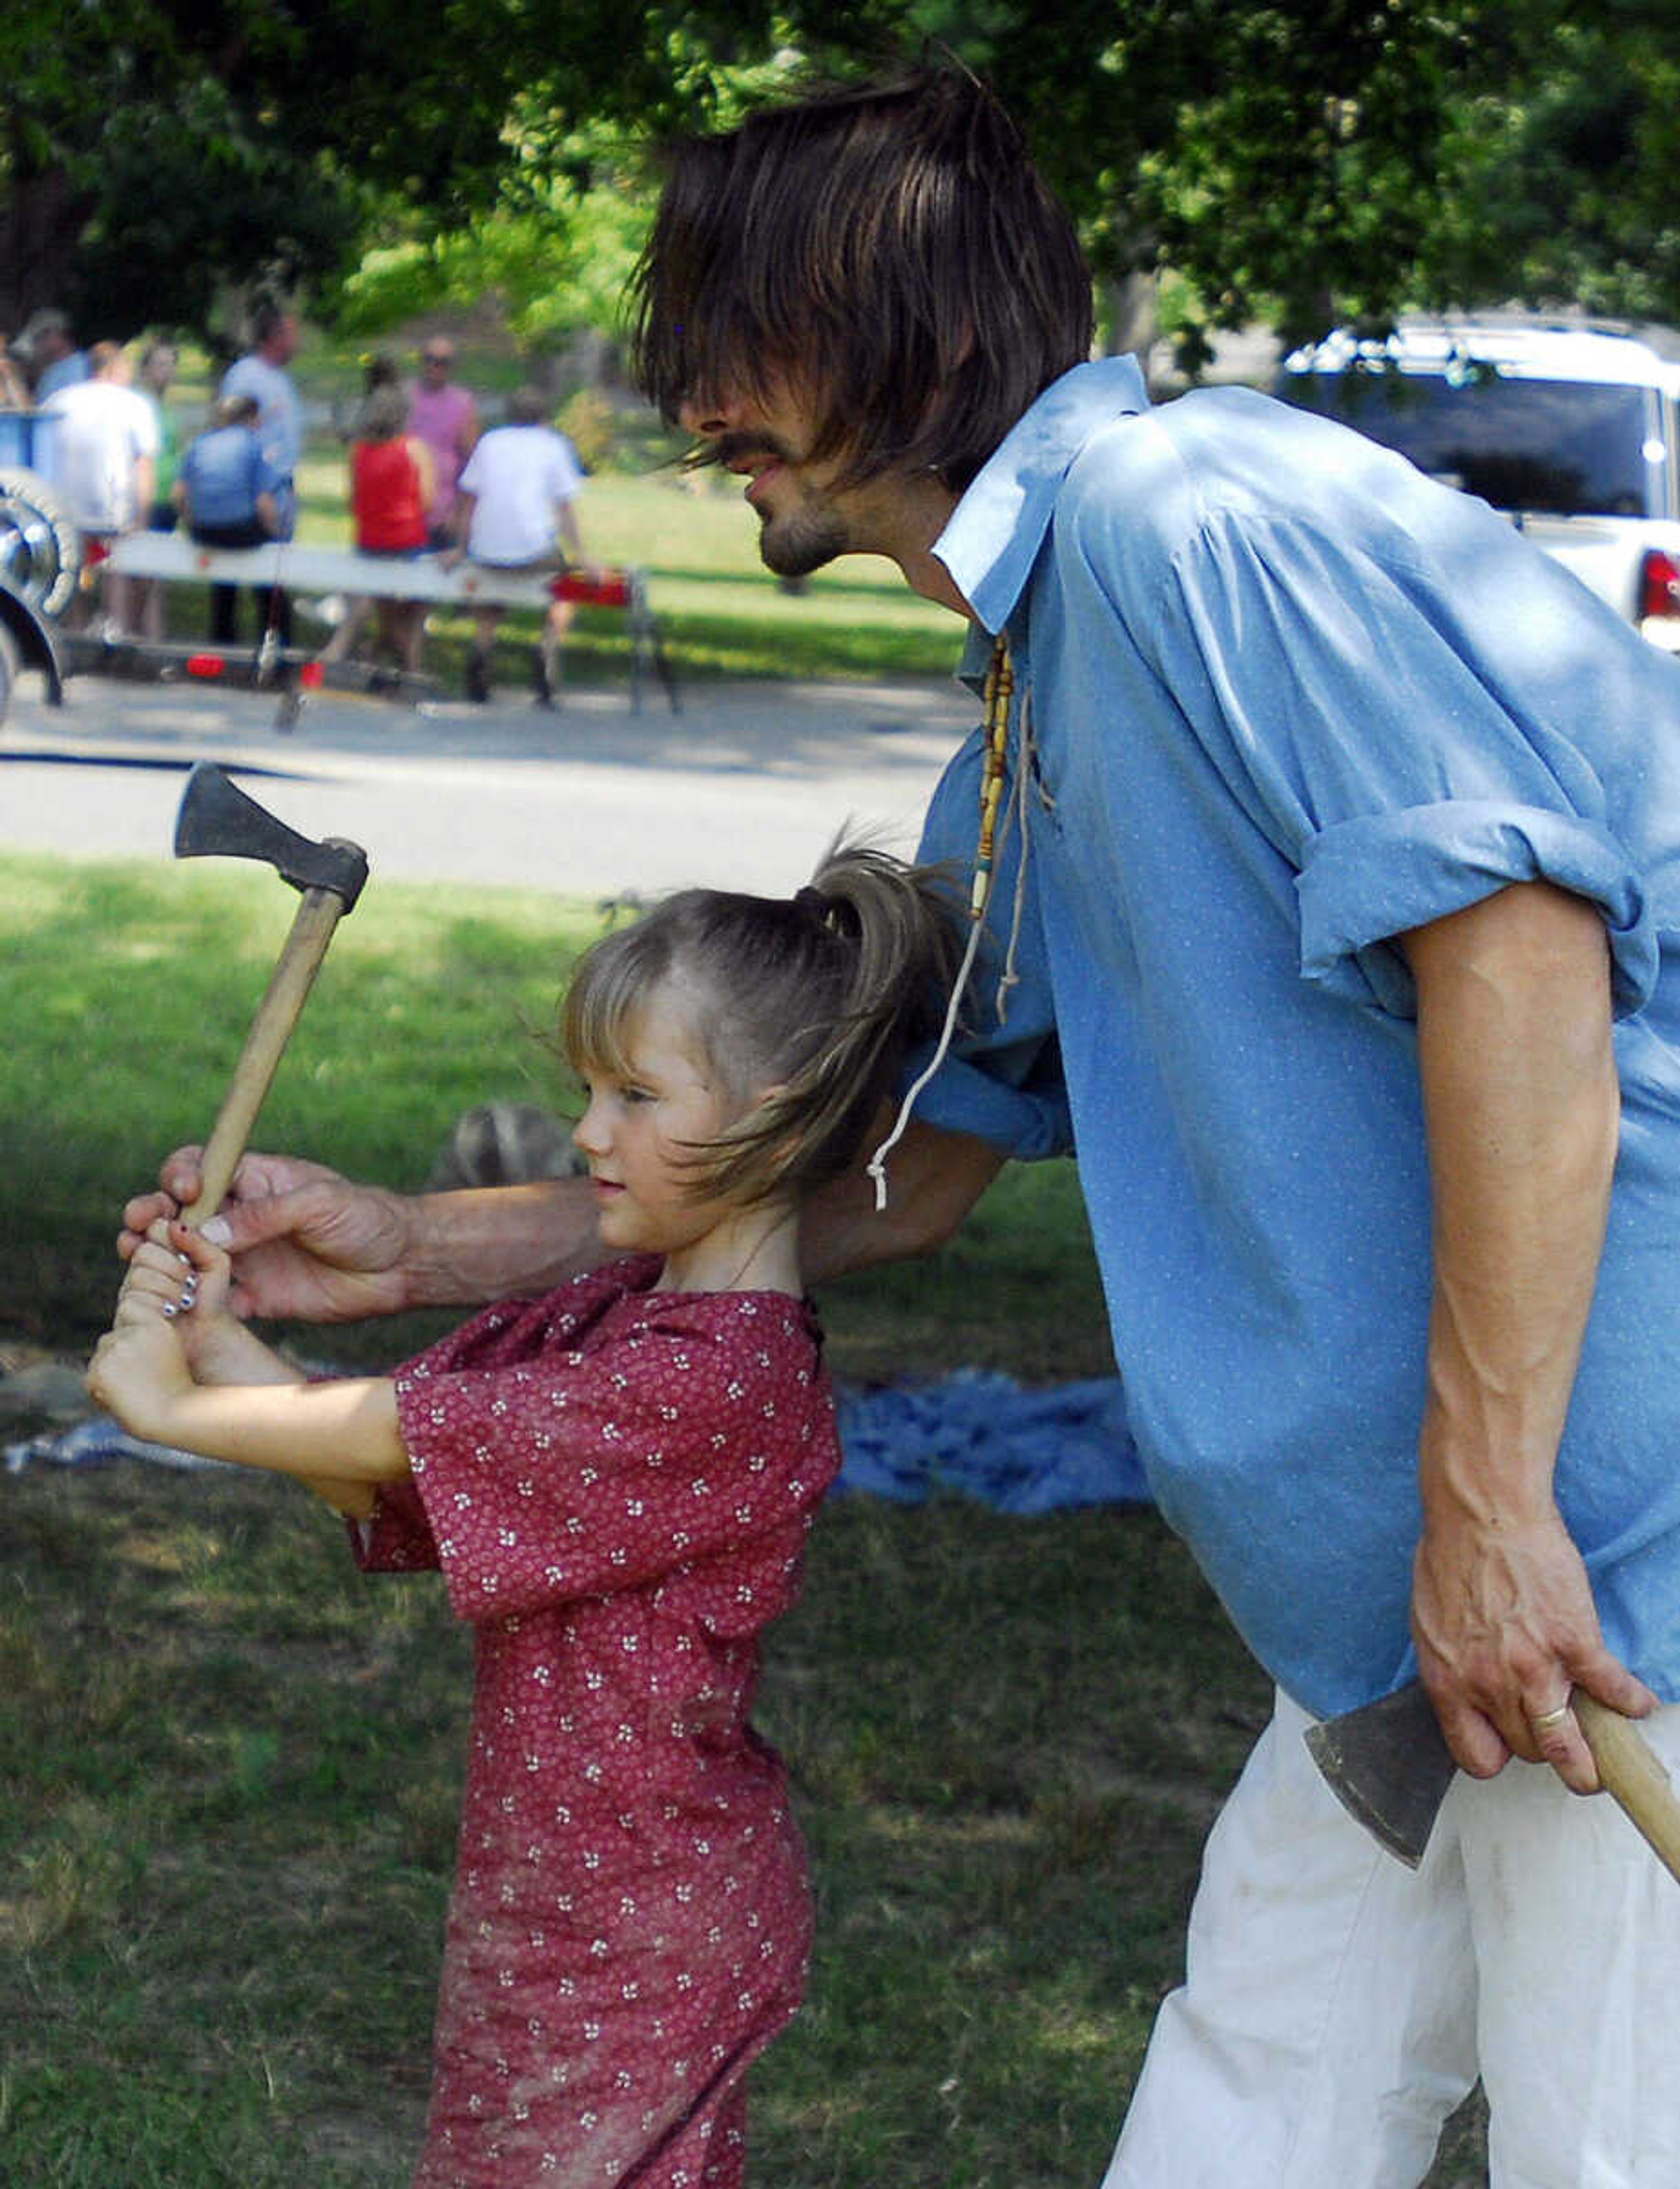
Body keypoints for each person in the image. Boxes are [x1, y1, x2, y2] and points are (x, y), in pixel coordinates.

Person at [119, 66, 1680, 2186]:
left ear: (913, 334)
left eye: (735, 348)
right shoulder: (1023, 716)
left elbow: (1518, 952)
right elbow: (895, 1182)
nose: (692, 411)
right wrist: (411, 1247)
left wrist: (1494, 1505)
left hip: (1607, 1600)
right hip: (1396, 1635)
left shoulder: (1183, 521)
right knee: (1236, 2135)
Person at [94, 845, 959, 2188]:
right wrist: (219, 1350)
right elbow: (391, 1470)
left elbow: (399, 1429)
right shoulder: (628, 1313)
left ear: (776, 1113)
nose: (586, 1134)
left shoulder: (716, 1375)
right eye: (588, 1092)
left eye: (632, 1094)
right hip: (560, 1889)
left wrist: (170, 1412)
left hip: (642, 1914)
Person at [448, 386, 594, 706]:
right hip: (534, 550)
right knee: (566, 588)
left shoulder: (490, 443)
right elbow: (565, 508)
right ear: (544, 418)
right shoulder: (553, 445)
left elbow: (469, 500)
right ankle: (548, 647)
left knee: (492, 589)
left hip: (486, 550)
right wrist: (583, 556)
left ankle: (482, 651)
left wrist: (462, 547)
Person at [318, 381, 436, 677]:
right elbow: (428, 501)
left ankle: (370, 653)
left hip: (370, 541)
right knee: (417, 608)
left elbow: (352, 503)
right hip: (407, 542)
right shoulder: (415, 449)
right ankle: (411, 668)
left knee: (382, 605)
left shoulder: (359, 452)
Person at [43, 339, 158, 633]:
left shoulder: (59, 401)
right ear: (114, 368)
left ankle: (75, 633)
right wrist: (142, 516)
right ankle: (115, 634)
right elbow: (143, 464)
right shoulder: (134, 404)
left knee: (74, 568)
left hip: (64, 505)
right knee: (114, 568)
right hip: (113, 503)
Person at [217, 304, 302, 647]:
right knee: (235, 570)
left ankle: (276, 646)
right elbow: (232, 430)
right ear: (274, 337)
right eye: (292, 334)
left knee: (275, 573)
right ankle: (223, 644)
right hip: (253, 489)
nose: (297, 341)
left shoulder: (280, 378)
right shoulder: (246, 376)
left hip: (280, 488)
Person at [175, 394, 285, 642]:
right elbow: (264, 503)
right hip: (240, 530)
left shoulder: (200, 443)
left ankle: (222, 638)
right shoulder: (252, 445)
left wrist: (192, 522)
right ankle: (275, 638)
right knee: (270, 577)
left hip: (203, 531)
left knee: (223, 578)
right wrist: (276, 532)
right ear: (251, 418)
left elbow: (180, 494)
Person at [407, 336, 480, 549]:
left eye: (442, 362)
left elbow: (472, 464)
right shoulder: (404, 397)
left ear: (451, 367)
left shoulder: (462, 404)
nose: (434, 367)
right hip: (406, 513)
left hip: (443, 517)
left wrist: (458, 513)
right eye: (429, 359)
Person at [134, 338, 182, 640]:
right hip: (147, 497)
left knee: (157, 574)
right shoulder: (140, 405)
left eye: (171, 365)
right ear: (146, 370)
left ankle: (152, 635)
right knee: (145, 573)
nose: (168, 371)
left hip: (168, 499)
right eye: (161, 365)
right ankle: (151, 637)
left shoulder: (167, 407)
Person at [23, 307, 88, 400]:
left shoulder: (81, 366)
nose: (37, 346)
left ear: (54, 334)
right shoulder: (51, 371)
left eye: (39, 338)